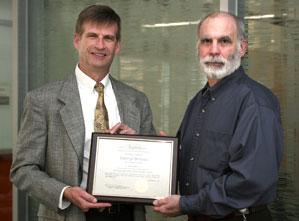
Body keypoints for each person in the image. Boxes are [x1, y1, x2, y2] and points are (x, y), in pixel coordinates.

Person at [10, 5, 155, 221]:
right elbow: (22, 169)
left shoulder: (137, 100)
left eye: (108, 38)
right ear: (77, 41)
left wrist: (138, 145)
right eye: (93, 36)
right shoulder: (42, 100)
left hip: (126, 215)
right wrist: (64, 192)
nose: (100, 45)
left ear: (117, 46)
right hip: (70, 214)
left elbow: (150, 169)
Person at [153, 11, 283, 221]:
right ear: (198, 49)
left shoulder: (256, 102)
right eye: (206, 41)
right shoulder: (198, 102)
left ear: (242, 47)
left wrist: (187, 204)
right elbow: (194, 167)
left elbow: (250, 182)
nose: (214, 50)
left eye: (224, 41)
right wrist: (145, 149)